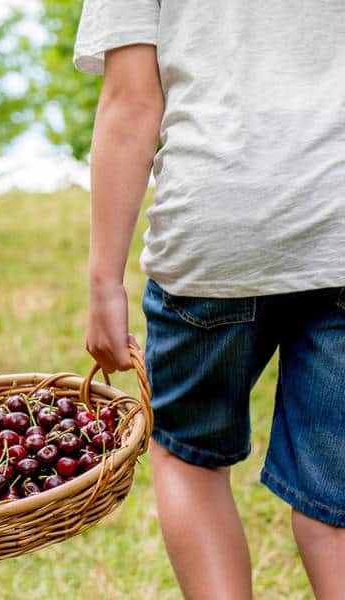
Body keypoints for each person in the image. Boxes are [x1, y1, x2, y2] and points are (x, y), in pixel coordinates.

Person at [74, 1, 345, 598]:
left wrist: (103, 283)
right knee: (338, 509)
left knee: (191, 459)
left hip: (216, 225)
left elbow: (132, 103)